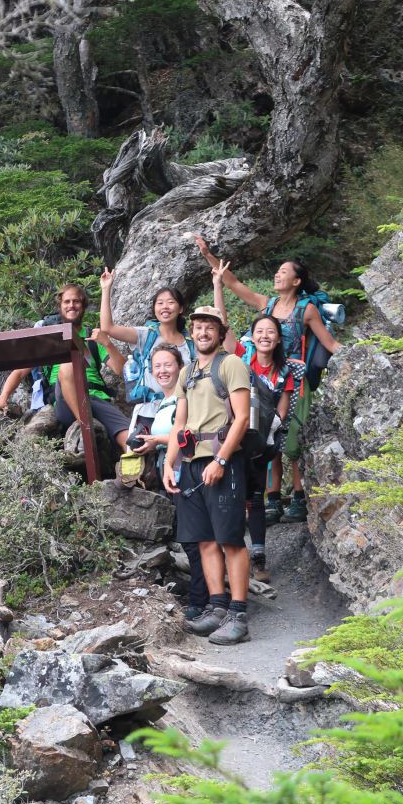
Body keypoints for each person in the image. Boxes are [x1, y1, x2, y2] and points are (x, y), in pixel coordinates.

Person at [195, 236, 339, 523]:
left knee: (294, 439)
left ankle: (298, 496)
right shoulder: (267, 304)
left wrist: (360, 355)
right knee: (268, 437)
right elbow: (232, 283)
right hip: (264, 378)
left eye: (284, 271)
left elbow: (330, 343)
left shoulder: (306, 309)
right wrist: (210, 257)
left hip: (294, 379)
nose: (278, 274)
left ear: (297, 281)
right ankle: (273, 496)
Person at [162, 305, 251, 645]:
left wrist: (222, 460)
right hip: (191, 464)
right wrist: (170, 464)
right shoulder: (187, 373)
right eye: (198, 326)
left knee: (229, 539)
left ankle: (238, 614)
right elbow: (179, 424)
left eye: (209, 327)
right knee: (204, 540)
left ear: (220, 331)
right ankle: (216, 607)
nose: (203, 332)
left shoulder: (231, 364)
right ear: (192, 332)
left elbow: (241, 418)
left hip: (222, 461)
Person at [212, 262, 298, 582]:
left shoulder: (284, 372)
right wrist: (219, 285)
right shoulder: (242, 358)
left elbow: (282, 412)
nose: (264, 336)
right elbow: (223, 326)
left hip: (260, 444)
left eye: (270, 333)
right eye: (259, 331)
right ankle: (234, 554)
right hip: (235, 437)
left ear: (277, 340)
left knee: (255, 498)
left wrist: (268, 442)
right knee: (234, 496)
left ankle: (259, 556)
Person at [0, 283, 130, 452]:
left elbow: (122, 371)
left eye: (76, 301)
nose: (71, 305)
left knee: (131, 439)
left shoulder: (92, 338)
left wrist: (106, 342)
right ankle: (85, 424)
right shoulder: (49, 339)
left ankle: (131, 469)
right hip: (64, 401)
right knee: (69, 362)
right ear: (60, 306)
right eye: (67, 301)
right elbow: (19, 372)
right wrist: (3, 397)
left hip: (95, 398)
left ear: (83, 306)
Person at [127, 345, 209, 620]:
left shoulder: (188, 397)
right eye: (157, 366)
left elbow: (188, 431)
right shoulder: (163, 402)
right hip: (171, 473)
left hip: (189, 470)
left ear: (181, 366)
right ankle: (204, 596)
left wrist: (157, 441)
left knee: (194, 538)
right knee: (189, 539)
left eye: (168, 365)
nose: (162, 371)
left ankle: (203, 600)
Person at [99, 270, 194, 401]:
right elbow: (108, 327)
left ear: (181, 309)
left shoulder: (190, 343)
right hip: (149, 410)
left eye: (171, 302)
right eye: (160, 303)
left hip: (184, 409)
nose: (165, 307)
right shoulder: (145, 335)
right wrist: (105, 289)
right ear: (154, 309)